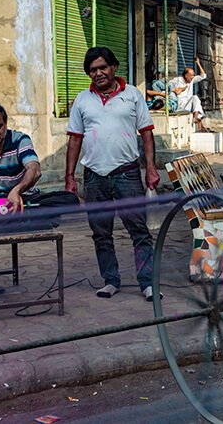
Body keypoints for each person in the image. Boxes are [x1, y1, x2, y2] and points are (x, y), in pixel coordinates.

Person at [64, 46, 161, 302]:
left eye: (102, 67)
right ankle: (111, 280)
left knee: (138, 230)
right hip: (94, 176)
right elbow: (74, 139)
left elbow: (147, 132)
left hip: (127, 173)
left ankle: (147, 282)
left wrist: (150, 167)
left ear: (113, 67)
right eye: (92, 70)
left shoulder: (132, 95)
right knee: (101, 232)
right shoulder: (82, 100)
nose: (98, 73)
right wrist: (70, 176)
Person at [169, 56, 207, 131]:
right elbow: (167, 87)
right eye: (191, 75)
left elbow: (203, 76)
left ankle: (196, 118)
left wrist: (198, 63)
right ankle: (197, 120)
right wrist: (177, 89)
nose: (193, 77)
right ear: (186, 76)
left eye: (193, 75)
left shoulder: (191, 80)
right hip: (179, 107)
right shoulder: (177, 80)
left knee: (195, 97)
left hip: (187, 106)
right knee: (195, 98)